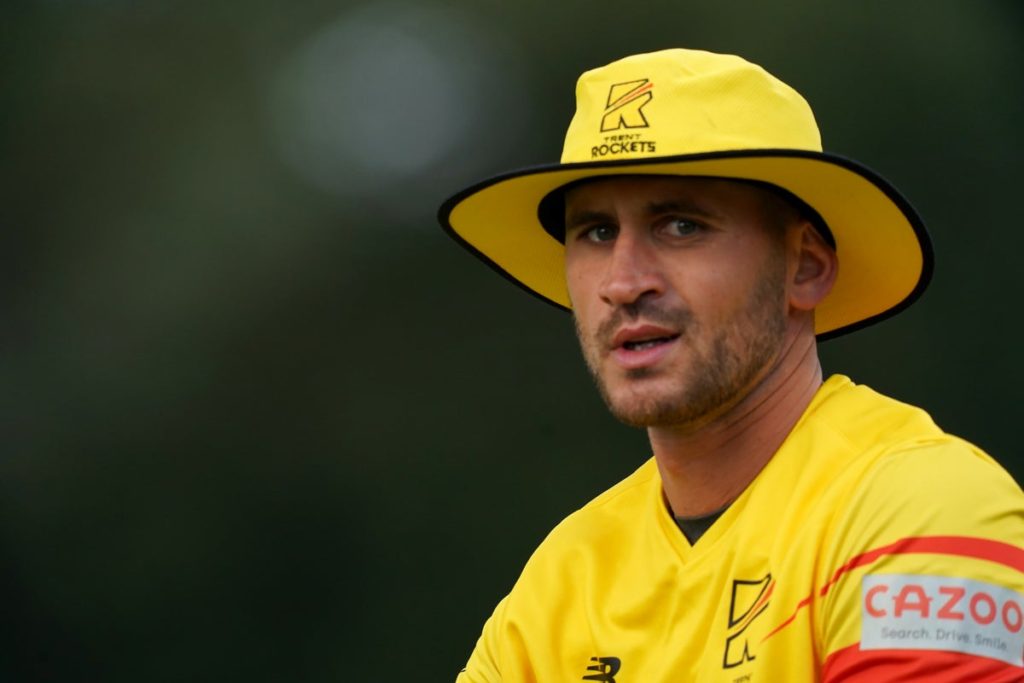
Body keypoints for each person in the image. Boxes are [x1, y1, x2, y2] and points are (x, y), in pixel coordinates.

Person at [437, 48, 1024, 682]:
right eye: (598, 233)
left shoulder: (919, 507)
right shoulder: (556, 587)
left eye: (681, 226)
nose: (623, 283)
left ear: (805, 267)